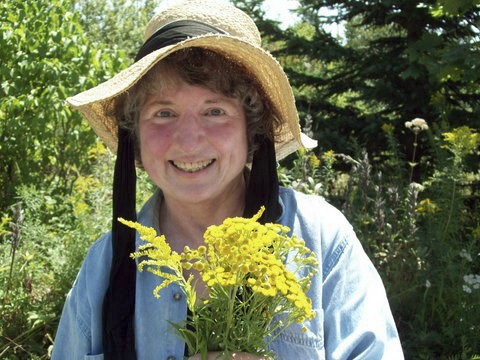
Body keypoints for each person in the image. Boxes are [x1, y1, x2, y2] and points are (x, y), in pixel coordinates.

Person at [52, 0, 404, 359]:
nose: (189, 140)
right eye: (164, 113)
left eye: (215, 111)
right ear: (135, 135)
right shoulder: (103, 267)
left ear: (252, 130)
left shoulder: (321, 240)